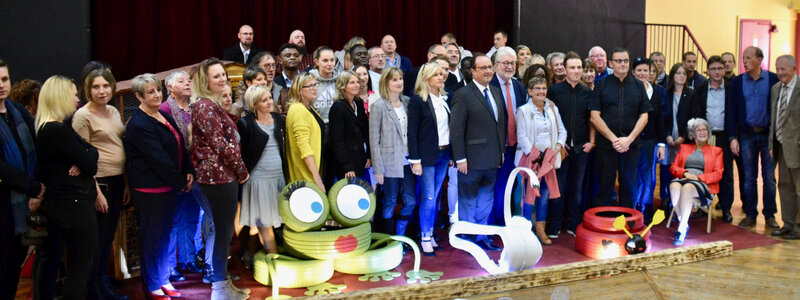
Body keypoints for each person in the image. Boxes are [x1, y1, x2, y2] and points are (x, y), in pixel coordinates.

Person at [124, 73, 194, 299]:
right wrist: (181, 181)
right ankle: (152, 284)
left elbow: (180, 144)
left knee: (164, 237)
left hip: (168, 187)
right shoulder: (138, 123)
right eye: (150, 92)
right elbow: (158, 159)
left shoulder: (162, 114)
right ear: (139, 97)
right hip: (150, 190)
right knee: (152, 238)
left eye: (158, 90)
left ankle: (163, 279)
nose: (156, 95)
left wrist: (188, 171)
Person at [190, 58, 251, 299]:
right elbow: (223, 147)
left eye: (223, 74)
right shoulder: (204, 107)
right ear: (205, 81)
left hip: (224, 176)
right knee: (223, 233)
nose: (222, 79)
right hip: (218, 178)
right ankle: (219, 289)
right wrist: (242, 171)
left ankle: (223, 285)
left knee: (225, 233)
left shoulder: (211, 105)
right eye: (216, 76)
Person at [33, 76, 98, 300]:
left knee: (73, 263)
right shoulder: (57, 131)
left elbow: (91, 152)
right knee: (81, 265)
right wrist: (85, 159)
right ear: (61, 97)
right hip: (74, 207)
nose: (77, 98)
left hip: (65, 205)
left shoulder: (48, 128)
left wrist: (85, 158)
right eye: (73, 94)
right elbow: (90, 164)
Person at [72, 69, 130, 300]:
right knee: (97, 241)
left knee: (108, 238)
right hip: (99, 184)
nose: (101, 91)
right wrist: (96, 193)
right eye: (96, 87)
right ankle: (95, 288)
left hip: (117, 181)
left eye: (105, 86)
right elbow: (81, 158)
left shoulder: (114, 110)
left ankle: (103, 282)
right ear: (88, 90)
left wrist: (125, 182)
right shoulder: (82, 116)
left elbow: (118, 146)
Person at [159, 71, 215, 282]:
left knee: (191, 217)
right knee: (173, 221)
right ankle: (171, 266)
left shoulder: (194, 107)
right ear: (170, 87)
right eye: (181, 81)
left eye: (188, 80)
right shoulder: (165, 110)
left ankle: (188, 259)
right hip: (176, 172)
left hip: (195, 172)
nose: (187, 84)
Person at [449, 54, 506, 251]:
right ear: (473, 71)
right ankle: (468, 237)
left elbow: (500, 125)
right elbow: (455, 130)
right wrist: (460, 158)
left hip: (492, 159)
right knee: (468, 201)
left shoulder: (496, 92)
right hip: (470, 161)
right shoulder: (462, 95)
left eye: (490, 67)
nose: (488, 71)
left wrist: (501, 152)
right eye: (483, 68)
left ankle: (482, 237)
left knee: (486, 201)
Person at [0, 60, 43, 300]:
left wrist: (36, 189)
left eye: (4, 79)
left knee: (13, 265)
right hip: (5, 201)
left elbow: (36, 147)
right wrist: (34, 187)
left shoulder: (16, 111)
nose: (1, 85)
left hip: (24, 200)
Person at [589, 47, 652, 208]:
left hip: (631, 145)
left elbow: (644, 115)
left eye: (625, 61)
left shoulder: (639, 86)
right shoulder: (601, 85)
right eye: (618, 61)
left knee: (629, 184)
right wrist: (614, 139)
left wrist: (629, 140)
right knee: (605, 184)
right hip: (606, 145)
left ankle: (628, 221)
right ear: (611, 63)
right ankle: (604, 221)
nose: (622, 64)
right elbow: (594, 116)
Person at [727, 46, 779, 228]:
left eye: (749, 58)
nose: (745, 61)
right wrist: (732, 137)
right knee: (749, 177)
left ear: (759, 59)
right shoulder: (738, 81)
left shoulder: (773, 79)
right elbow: (732, 111)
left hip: (767, 136)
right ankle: (750, 214)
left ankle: (770, 216)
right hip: (746, 135)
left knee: (769, 178)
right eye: (743, 58)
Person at [547, 52, 595, 238]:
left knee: (577, 188)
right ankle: (555, 226)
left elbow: (592, 119)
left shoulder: (588, 92)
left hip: (582, 148)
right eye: (572, 68)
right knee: (558, 186)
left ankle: (573, 224)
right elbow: (550, 120)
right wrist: (558, 144)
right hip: (561, 148)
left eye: (578, 68)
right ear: (565, 70)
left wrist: (592, 142)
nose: (576, 71)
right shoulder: (555, 91)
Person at [408, 62, 452, 255]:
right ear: (425, 78)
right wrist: (415, 160)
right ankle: (425, 236)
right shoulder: (418, 100)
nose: (441, 77)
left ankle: (431, 234)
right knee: (428, 197)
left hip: (443, 153)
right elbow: (412, 132)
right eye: (436, 75)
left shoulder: (444, 99)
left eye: (442, 74)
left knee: (435, 197)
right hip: (426, 156)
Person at [515, 77, 566, 245]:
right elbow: (521, 136)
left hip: (549, 160)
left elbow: (562, 131)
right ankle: (526, 231)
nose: (541, 91)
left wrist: (556, 150)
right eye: (537, 88)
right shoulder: (522, 110)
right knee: (528, 195)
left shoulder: (553, 109)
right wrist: (536, 155)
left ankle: (540, 230)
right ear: (529, 91)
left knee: (544, 195)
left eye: (544, 88)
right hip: (531, 159)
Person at [237, 85, 288, 253]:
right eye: (264, 100)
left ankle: (252, 255)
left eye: (269, 98)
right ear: (254, 104)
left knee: (276, 221)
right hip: (258, 180)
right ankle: (274, 260)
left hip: (278, 177)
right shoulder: (246, 123)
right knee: (264, 223)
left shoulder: (279, 119)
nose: (269, 102)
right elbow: (242, 153)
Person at [689, 55, 739, 223]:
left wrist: (734, 137)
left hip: (725, 136)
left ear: (724, 70)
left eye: (720, 68)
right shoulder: (701, 90)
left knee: (726, 174)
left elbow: (735, 114)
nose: (717, 72)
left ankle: (726, 208)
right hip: (706, 138)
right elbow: (697, 114)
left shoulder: (732, 88)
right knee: (704, 172)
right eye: (713, 69)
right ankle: (704, 205)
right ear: (708, 71)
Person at [369, 67, 416, 238]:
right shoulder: (378, 106)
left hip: (407, 161)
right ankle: (389, 239)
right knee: (389, 201)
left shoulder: (408, 102)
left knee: (410, 201)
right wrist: (378, 170)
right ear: (386, 83)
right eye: (394, 80)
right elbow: (374, 140)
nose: (399, 83)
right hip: (388, 163)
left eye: (401, 79)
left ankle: (401, 235)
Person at [668, 118, 723, 245]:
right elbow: (673, 167)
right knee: (674, 187)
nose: (702, 132)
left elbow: (718, 174)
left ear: (708, 132)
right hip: (684, 178)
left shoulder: (717, 151)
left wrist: (698, 178)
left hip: (704, 184)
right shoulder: (684, 148)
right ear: (693, 134)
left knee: (687, 188)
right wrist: (685, 173)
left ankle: (681, 230)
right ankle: (684, 222)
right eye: (699, 130)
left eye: (705, 129)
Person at [488, 47, 526, 228]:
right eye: (506, 63)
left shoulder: (519, 86)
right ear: (496, 65)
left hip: (514, 146)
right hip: (494, 146)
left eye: (513, 63)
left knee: (508, 186)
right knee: (492, 188)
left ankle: (503, 222)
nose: (510, 67)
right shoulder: (489, 86)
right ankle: (491, 224)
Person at [769, 55, 800, 240]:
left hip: (797, 147)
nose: (780, 73)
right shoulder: (775, 89)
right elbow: (774, 119)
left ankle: (798, 226)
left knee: (799, 188)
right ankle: (787, 224)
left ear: (794, 68)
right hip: (780, 147)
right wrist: (771, 144)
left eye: (784, 69)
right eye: (778, 69)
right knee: (785, 186)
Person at [630, 58, 665, 221]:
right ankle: (633, 208)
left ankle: (647, 207)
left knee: (648, 176)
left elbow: (660, 120)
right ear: (633, 73)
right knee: (632, 174)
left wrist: (661, 144)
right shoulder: (628, 91)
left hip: (650, 141)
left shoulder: (656, 93)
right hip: (631, 141)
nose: (643, 73)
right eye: (640, 71)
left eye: (646, 70)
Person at [285, 72, 325, 190]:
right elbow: (304, 147)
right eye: (310, 86)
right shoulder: (298, 110)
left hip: (311, 173)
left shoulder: (308, 107)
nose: (315, 88)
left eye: (315, 84)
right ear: (299, 90)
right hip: (306, 176)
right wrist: (317, 178)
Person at [328, 70, 370, 181]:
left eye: (357, 82)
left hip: (361, 159)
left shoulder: (358, 103)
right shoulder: (338, 107)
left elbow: (365, 131)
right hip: (347, 164)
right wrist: (347, 166)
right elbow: (337, 140)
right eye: (352, 82)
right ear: (342, 86)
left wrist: (368, 155)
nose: (356, 85)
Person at [309, 46, 339, 123]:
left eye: (332, 60)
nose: (330, 64)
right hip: (316, 126)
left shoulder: (341, 79)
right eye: (325, 60)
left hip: (337, 125)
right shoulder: (308, 80)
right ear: (317, 62)